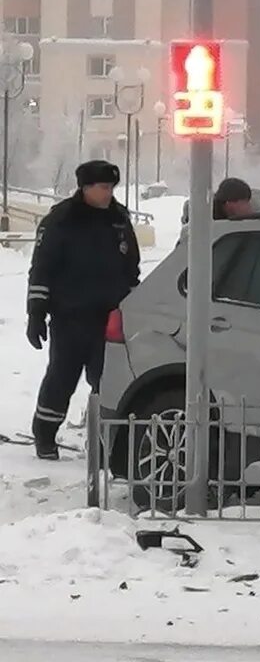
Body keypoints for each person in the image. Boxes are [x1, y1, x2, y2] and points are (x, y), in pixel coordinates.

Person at [26, 160, 141, 460]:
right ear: (86, 188)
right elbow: (42, 269)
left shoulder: (118, 219)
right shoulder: (61, 220)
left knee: (106, 382)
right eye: (103, 188)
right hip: (71, 316)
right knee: (62, 378)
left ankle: (103, 445)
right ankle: (45, 436)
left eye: (111, 188)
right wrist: (36, 312)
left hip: (110, 318)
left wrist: (131, 303)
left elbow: (131, 267)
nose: (108, 194)